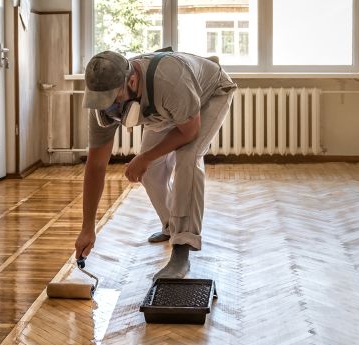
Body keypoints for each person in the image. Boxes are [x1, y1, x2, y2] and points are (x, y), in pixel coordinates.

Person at [74, 50, 237, 280]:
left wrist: (144, 157)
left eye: (115, 100)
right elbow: (96, 165)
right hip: (165, 107)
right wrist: (87, 227)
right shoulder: (100, 101)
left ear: (131, 81)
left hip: (210, 93)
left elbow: (189, 132)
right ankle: (171, 226)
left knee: (188, 158)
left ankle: (182, 249)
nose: (110, 110)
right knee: (149, 172)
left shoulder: (170, 80)